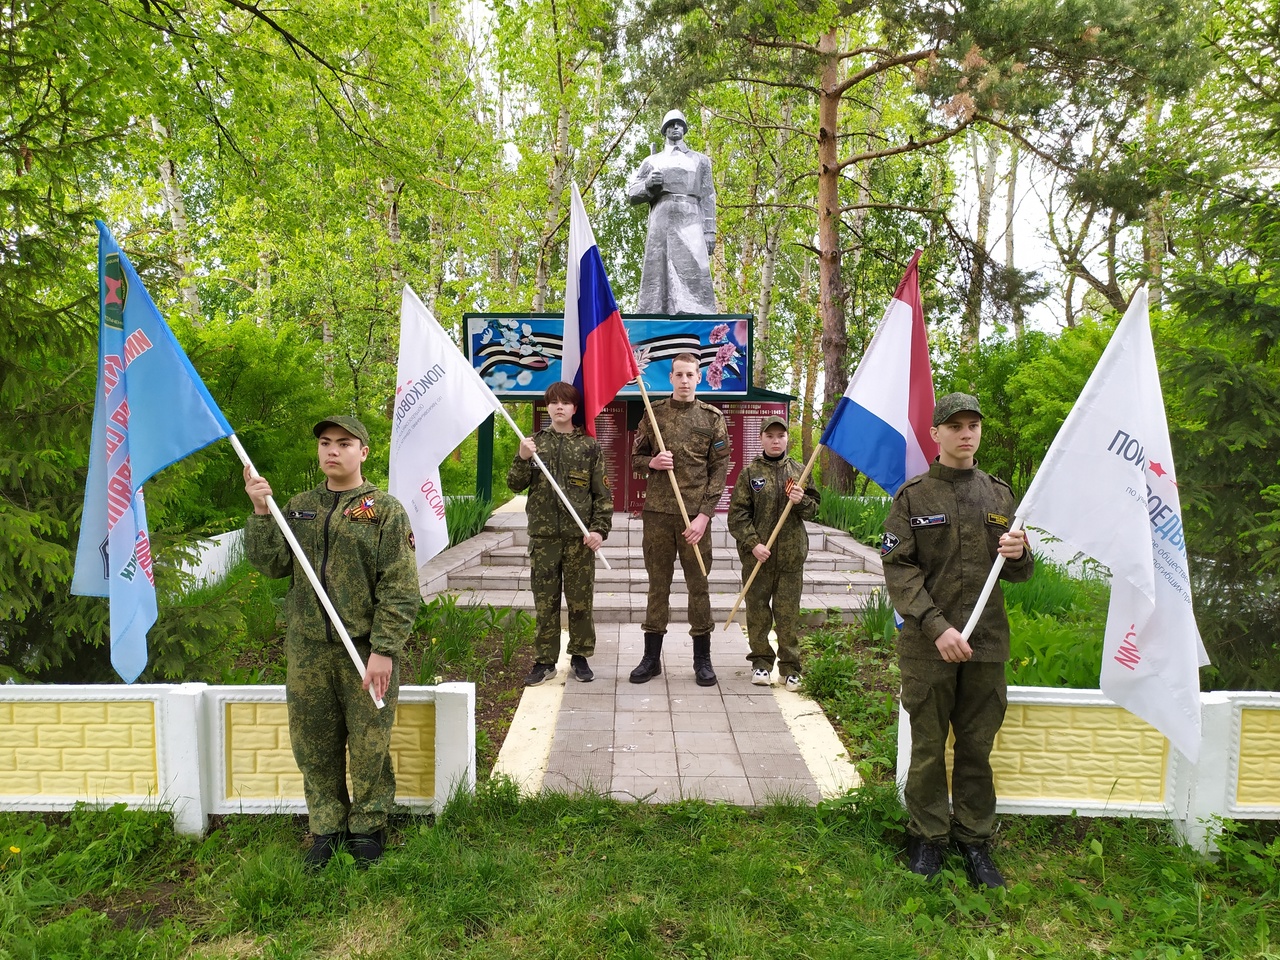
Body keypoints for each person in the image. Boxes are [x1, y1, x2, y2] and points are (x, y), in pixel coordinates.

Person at [243, 415, 420, 869]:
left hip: (363, 650)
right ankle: (326, 828)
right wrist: (263, 512)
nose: (332, 451)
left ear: (363, 452)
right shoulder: (300, 506)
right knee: (313, 744)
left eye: (344, 443)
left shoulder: (385, 510)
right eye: (325, 443)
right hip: (308, 651)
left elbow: (399, 586)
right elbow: (271, 564)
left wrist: (383, 649)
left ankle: (368, 826)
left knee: (369, 742)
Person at [880, 393, 1033, 889]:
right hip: (930, 646)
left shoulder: (1000, 496)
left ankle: (974, 841)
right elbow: (899, 571)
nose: (967, 434)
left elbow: (1020, 573)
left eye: (974, 425)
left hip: (986, 644)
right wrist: (935, 626)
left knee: (975, 746)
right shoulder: (913, 498)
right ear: (936, 434)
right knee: (927, 747)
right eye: (956, 426)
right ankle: (927, 836)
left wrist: (1019, 552)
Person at [630, 353, 731, 685]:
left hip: (694, 519)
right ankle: (650, 658)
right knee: (658, 587)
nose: (685, 380)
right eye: (679, 375)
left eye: (690, 374)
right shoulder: (653, 414)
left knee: (698, 587)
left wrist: (704, 516)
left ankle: (702, 660)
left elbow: (720, 471)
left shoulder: (712, 418)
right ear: (670, 377)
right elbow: (635, 459)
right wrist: (653, 463)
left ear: (699, 377)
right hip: (658, 514)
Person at [507, 382, 612, 686]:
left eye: (566, 403)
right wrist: (522, 456)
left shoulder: (589, 446)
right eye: (553, 402)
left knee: (580, 601)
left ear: (575, 408)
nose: (559, 407)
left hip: (578, 539)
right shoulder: (534, 443)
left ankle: (580, 657)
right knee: (545, 602)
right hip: (544, 538)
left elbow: (602, 495)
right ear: (547, 407)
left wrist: (598, 530)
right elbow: (515, 485)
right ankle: (544, 662)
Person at [727, 416, 821, 691]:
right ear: (762, 439)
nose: (776, 440)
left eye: (781, 435)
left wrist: (801, 500)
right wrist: (753, 543)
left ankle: (790, 669)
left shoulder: (800, 471)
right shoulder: (750, 473)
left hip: (791, 558)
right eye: (770, 436)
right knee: (757, 612)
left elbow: (815, 509)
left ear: (786, 439)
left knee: (788, 614)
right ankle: (761, 663)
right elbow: (737, 516)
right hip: (758, 557)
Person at [627, 109, 718, 315]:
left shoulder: (701, 161)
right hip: (662, 216)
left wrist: (709, 230)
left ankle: (697, 313)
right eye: (670, 124)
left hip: (691, 217)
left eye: (679, 124)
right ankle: (655, 313)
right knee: (659, 271)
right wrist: (649, 185)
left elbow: (708, 195)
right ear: (664, 130)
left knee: (693, 270)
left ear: (684, 128)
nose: (675, 127)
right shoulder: (652, 162)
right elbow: (632, 193)